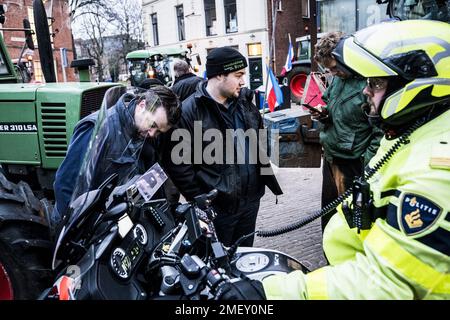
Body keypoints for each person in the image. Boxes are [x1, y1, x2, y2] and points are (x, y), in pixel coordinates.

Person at [215, 19, 450, 300]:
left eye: (375, 83)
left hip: (356, 274)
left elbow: (385, 284)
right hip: (347, 252)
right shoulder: (411, 132)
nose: (366, 90)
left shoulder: (434, 174)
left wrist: (272, 293)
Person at [164, 46, 282, 247]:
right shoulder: (189, 112)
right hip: (218, 210)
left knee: (244, 257)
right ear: (219, 75)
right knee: (219, 264)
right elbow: (178, 165)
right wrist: (201, 199)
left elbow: (260, 140)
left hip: (250, 202)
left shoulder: (245, 103)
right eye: (238, 75)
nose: (243, 81)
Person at [52, 85, 181, 227]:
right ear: (142, 105)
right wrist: (75, 231)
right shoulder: (98, 129)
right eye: (152, 124)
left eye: (158, 131)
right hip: (82, 225)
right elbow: (66, 184)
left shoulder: (143, 134)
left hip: (113, 220)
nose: (152, 133)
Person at [310, 31, 383, 229]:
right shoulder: (338, 79)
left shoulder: (370, 83)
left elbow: (380, 131)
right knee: (329, 213)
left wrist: (365, 163)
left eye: (334, 68)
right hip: (332, 157)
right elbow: (330, 103)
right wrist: (323, 113)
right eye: (328, 70)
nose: (333, 73)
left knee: (350, 219)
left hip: (352, 163)